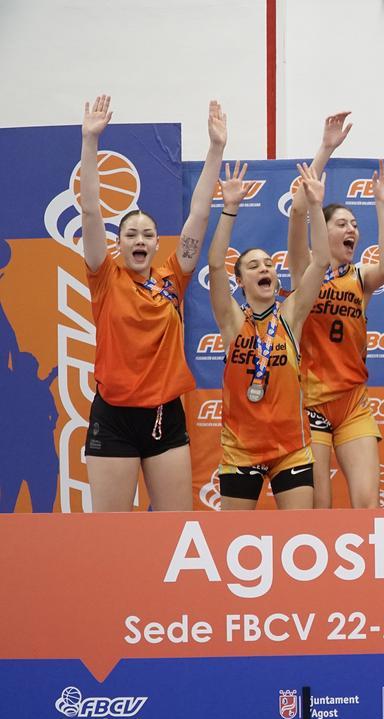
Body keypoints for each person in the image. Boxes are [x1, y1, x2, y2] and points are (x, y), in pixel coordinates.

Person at [80, 95, 226, 511]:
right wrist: (90, 141)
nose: (140, 240)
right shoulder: (105, 277)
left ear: (156, 242)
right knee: (114, 536)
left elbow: (199, 214)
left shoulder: (171, 278)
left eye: (147, 234)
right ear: (119, 244)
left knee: (173, 532)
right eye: (131, 234)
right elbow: (91, 211)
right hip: (114, 417)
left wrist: (215, 149)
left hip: (165, 416)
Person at [287, 112, 384, 509]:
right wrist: (326, 149)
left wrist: (382, 206)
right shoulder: (305, 268)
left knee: (368, 506)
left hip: (353, 401)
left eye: (355, 224)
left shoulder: (359, 276)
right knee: (320, 508)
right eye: (342, 224)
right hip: (311, 399)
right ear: (324, 228)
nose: (352, 229)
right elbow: (297, 209)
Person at [208, 162, 330, 510]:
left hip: (291, 448)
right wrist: (230, 208)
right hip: (240, 450)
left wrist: (317, 207)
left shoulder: (291, 315)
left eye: (269, 265)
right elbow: (216, 264)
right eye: (253, 265)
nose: (265, 268)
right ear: (241, 281)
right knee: (236, 545)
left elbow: (320, 260)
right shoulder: (232, 321)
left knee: (300, 542)